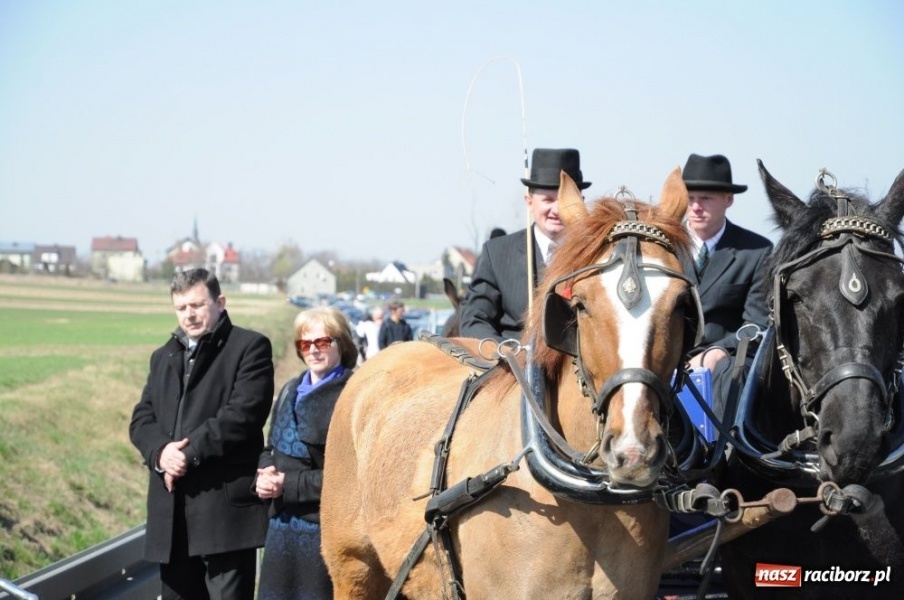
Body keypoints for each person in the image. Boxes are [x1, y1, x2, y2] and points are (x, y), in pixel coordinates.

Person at [129, 268, 274, 600]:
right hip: (172, 517)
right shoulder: (163, 356)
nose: (189, 315)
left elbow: (243, 415)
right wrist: (160, 454)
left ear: (220, 302)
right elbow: (142, 419)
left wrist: (186, 454)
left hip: (224, 518)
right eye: (181, 308)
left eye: (197, 305)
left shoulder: (250, 347)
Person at [255, 306, 358, 599]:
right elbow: (269, 448)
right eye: (305, 343)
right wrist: (263, 474)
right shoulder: (289, 388)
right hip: (280, 528)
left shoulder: (351, 394)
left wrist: (285, 485)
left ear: (342, 344)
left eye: (322, 342)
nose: (313, 350)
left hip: (321, 534)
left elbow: (348, 476)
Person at [459, 148, 591, 341]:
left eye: (564, 200)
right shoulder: (496, 254)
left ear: (581, 202)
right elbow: (474, 319)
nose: (556, 210)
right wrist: (509, 356)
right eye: (548, 200)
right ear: (529, 202)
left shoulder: (594, 255)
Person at [681, 153, 773, 416]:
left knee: (735, 373)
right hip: (669, 354)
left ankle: (725, 450)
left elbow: (757, 324)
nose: (696, 207)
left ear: (728, 200)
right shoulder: (664, 247)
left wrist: (720, 350)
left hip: (727, 362)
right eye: (690, 199)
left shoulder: (756, 251)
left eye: (706, 198)